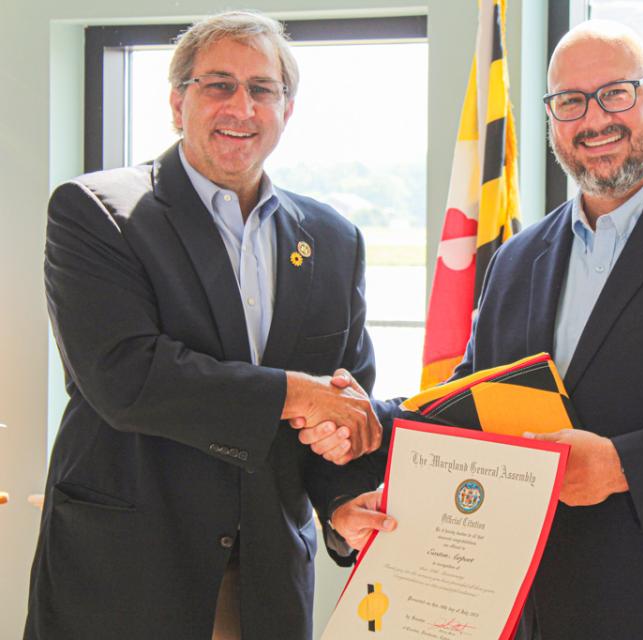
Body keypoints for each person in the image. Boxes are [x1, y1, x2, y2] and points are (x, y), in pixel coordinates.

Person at [336, 19, 643, 640]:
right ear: (552, 117)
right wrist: (370, 422)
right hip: (553, 601)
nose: (594, 119)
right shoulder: (517, 259)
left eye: (616, 93)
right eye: (570, 101)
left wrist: (622, 466)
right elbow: (474, 399)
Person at [25, 11, 391, 640]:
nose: (241, 107)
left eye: (262, 89)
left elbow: (341, 399)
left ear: (287, 109)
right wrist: (294, 393)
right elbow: (127, 378)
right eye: (219, 85)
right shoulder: (97, 212)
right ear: (178, 102)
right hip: (128, 570)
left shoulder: (333, 239)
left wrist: (341, 500)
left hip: (268, 578)